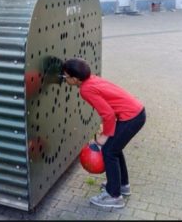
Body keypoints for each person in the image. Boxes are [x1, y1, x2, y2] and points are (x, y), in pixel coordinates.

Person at [59, 58, 146, 208]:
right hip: (136, 113)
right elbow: (108, 106)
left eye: (66, 76)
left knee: (109, 151)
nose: (64, 78)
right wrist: (105, 128)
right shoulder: (92, 80)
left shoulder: (85, 90)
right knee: (115, 149)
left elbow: (108, 114)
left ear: (75, 79)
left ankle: (114, 196)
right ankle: (122, 185)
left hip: (131, 117)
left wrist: (104, 136)